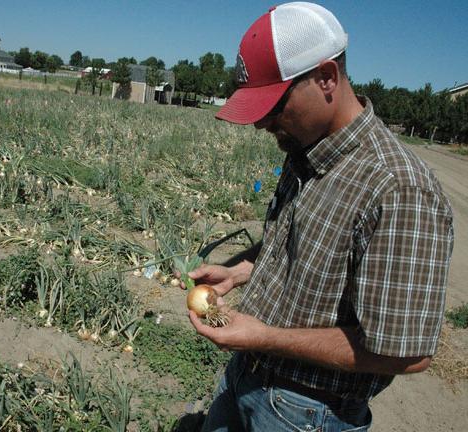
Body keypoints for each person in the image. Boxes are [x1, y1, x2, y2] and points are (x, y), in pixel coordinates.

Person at [184, 2, 454, 431]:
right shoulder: (304, 149)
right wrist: (239, 273)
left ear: (327, 77)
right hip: (244, 375)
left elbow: (407, 352)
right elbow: (302, 246)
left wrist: (265, 337)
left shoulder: (399, 189)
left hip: (306, 412)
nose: (262, 123)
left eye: (273, 104)